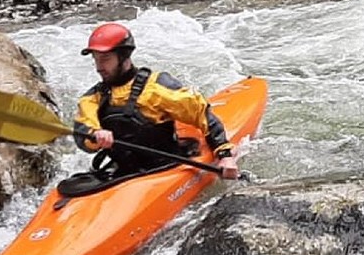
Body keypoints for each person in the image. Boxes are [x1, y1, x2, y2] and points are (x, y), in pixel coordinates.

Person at [73, 22, 239, 181]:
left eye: (105, 59)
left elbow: (203, 116)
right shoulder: (92, 98)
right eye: (96, 59)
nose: (98, 67)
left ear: (123, 56)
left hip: (166, 166)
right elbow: (83, 136)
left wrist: (225, 155)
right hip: (124, 172)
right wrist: (94, 136)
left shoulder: (157, 88)